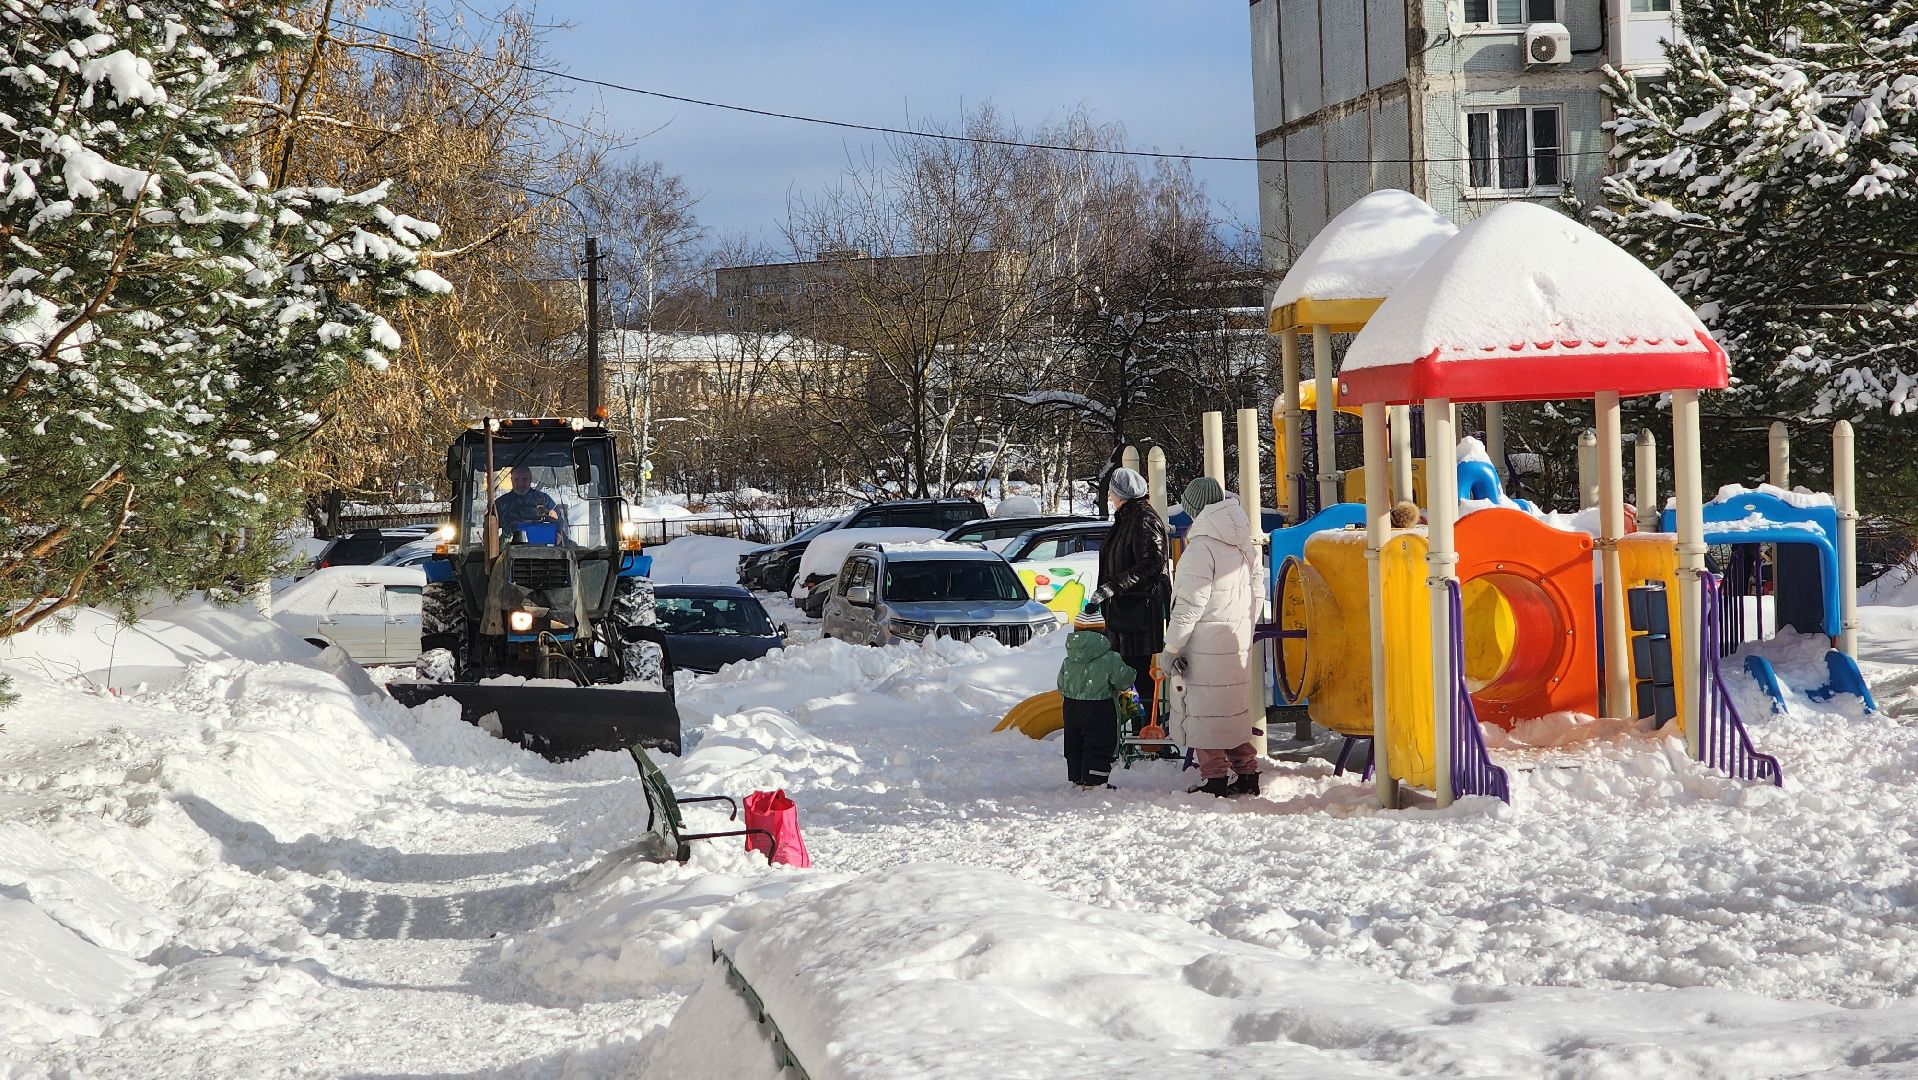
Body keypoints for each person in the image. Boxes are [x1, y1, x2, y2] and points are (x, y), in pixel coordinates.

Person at [1163, 476, 1266, 798]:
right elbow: (1258, 594)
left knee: (1203, 712)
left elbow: (1189, 606)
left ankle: (1215, 778)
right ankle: (1247, 773)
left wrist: (1172, 646)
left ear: (1195, 509)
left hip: (1203, 644)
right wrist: (1242, 629)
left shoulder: (1200, 548)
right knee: (1231, 711)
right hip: (1235, 641)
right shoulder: (1245, 543)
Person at [1088, 467, 1170, 706]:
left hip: (1138, 616)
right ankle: (1136, 730)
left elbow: (1153, 564)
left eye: (1111, 493)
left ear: (1120, 495)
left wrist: (1113, 586)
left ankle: (1145, 733)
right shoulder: (1127, 517)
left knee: (1137, 676)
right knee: (1128, 676)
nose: (1110, 499)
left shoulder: (1143, 518)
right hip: (1126, 614)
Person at [1055, 607, 1136, 789]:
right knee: (1100, 740)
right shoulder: (1110, 659)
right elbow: (1123, 680)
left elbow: (1061, 684)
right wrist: (1131, 673)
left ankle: (1077, 775)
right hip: (1100, 706)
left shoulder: (1069, 660)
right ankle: (1095, 780)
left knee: (1075, 740)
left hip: (1071, 706)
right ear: (1103, 633)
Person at [494, 465, 559, 534]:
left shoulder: (541, 499)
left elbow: (558, 520)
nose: (520, 483)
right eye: (516, 479)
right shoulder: (502, 503)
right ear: (511, 480)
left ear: (530, 479)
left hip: (539, 541)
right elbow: (490, 528)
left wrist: (558, 533)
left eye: (524, 479)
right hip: (511, 542)